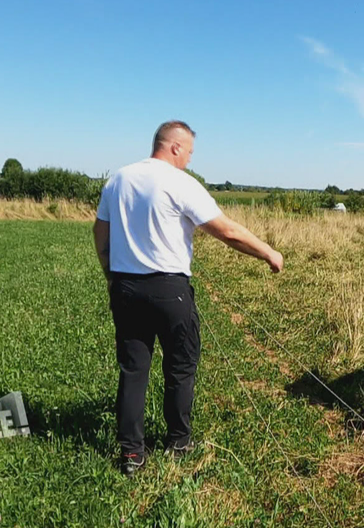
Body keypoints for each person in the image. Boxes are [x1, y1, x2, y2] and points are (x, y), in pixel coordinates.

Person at [92, 120, 284, 477]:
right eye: (190, 153)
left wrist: (110, 275)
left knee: (133, 370)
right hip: (169, 290)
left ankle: (132, 454)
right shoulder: (180, 183)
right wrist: (269, 253)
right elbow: (226, 231)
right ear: (175, 147)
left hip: (126, 288)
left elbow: (100, 232)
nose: (190, 161)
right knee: (181, 366)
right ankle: (178, 442)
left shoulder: (117, 179)